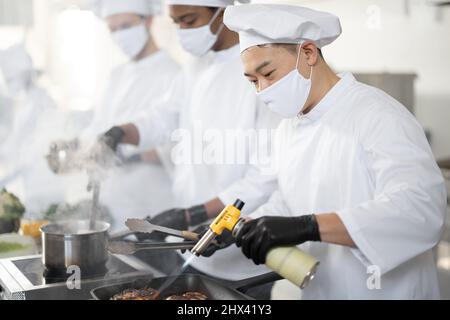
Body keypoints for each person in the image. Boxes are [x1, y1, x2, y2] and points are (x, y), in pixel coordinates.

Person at [220, 4, 447, 299]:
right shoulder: (289, 128)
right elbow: (292, 203)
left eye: (269, 74)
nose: (262, 91)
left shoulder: (378, 115)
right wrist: (246, 225)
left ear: (309, 53)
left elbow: (420, 210)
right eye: (253, 81)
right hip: (324, 289)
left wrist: (309, 226)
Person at [96, 0, 281, 295]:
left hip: (242, 252)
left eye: (190, 19)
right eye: (176, 21)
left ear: (223, 13)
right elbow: (163, 115)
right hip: (192, 248)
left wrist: (193, 213)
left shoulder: (259, 68)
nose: (182, 30)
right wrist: (122, 132)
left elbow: (266, 177)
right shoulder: (196, 66)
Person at [78, 0, 181, 229]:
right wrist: (82, 147)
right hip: (112, 201)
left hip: (152, 206)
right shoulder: (117, 75)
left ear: (149, 20)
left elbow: (177, 144)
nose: (119, 35)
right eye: (112, 29)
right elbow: (98, 125)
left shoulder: (173, 74)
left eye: (125, 26)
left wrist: (129, 154)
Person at [0, 44, 66, 213]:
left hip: (46, 185)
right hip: (30, 184)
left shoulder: (43, 102)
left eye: (10, 79)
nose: (8, 84)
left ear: (24, 75)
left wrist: (7, 176)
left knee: (46, 223)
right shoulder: (25, 103)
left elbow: (37, 150)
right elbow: (17, 143)